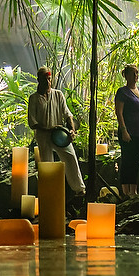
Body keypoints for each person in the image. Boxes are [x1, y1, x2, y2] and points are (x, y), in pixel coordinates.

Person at [26, 67, 86, 195]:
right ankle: (49, 192)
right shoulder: (34, 98)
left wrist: (72, 130)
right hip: (43, 136)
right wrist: (48, 129)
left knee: (70, 156)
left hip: (60, 134)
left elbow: (67, 114)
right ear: (39, 80)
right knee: (47, 164)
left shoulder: (58, 94)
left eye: (49, 79)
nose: (48, 82)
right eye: (45, 79)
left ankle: (79, 188)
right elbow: (33, 123)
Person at [114, 65, 139, 196]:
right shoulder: (122, 92)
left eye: (137, 73)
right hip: (128, 132)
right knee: (127, 160)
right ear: (126, 75)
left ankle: (133, 190)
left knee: (136, 162)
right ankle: (125, 191)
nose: (135, 76)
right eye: (133, 73)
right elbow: (119, 112)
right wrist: (124, 130)